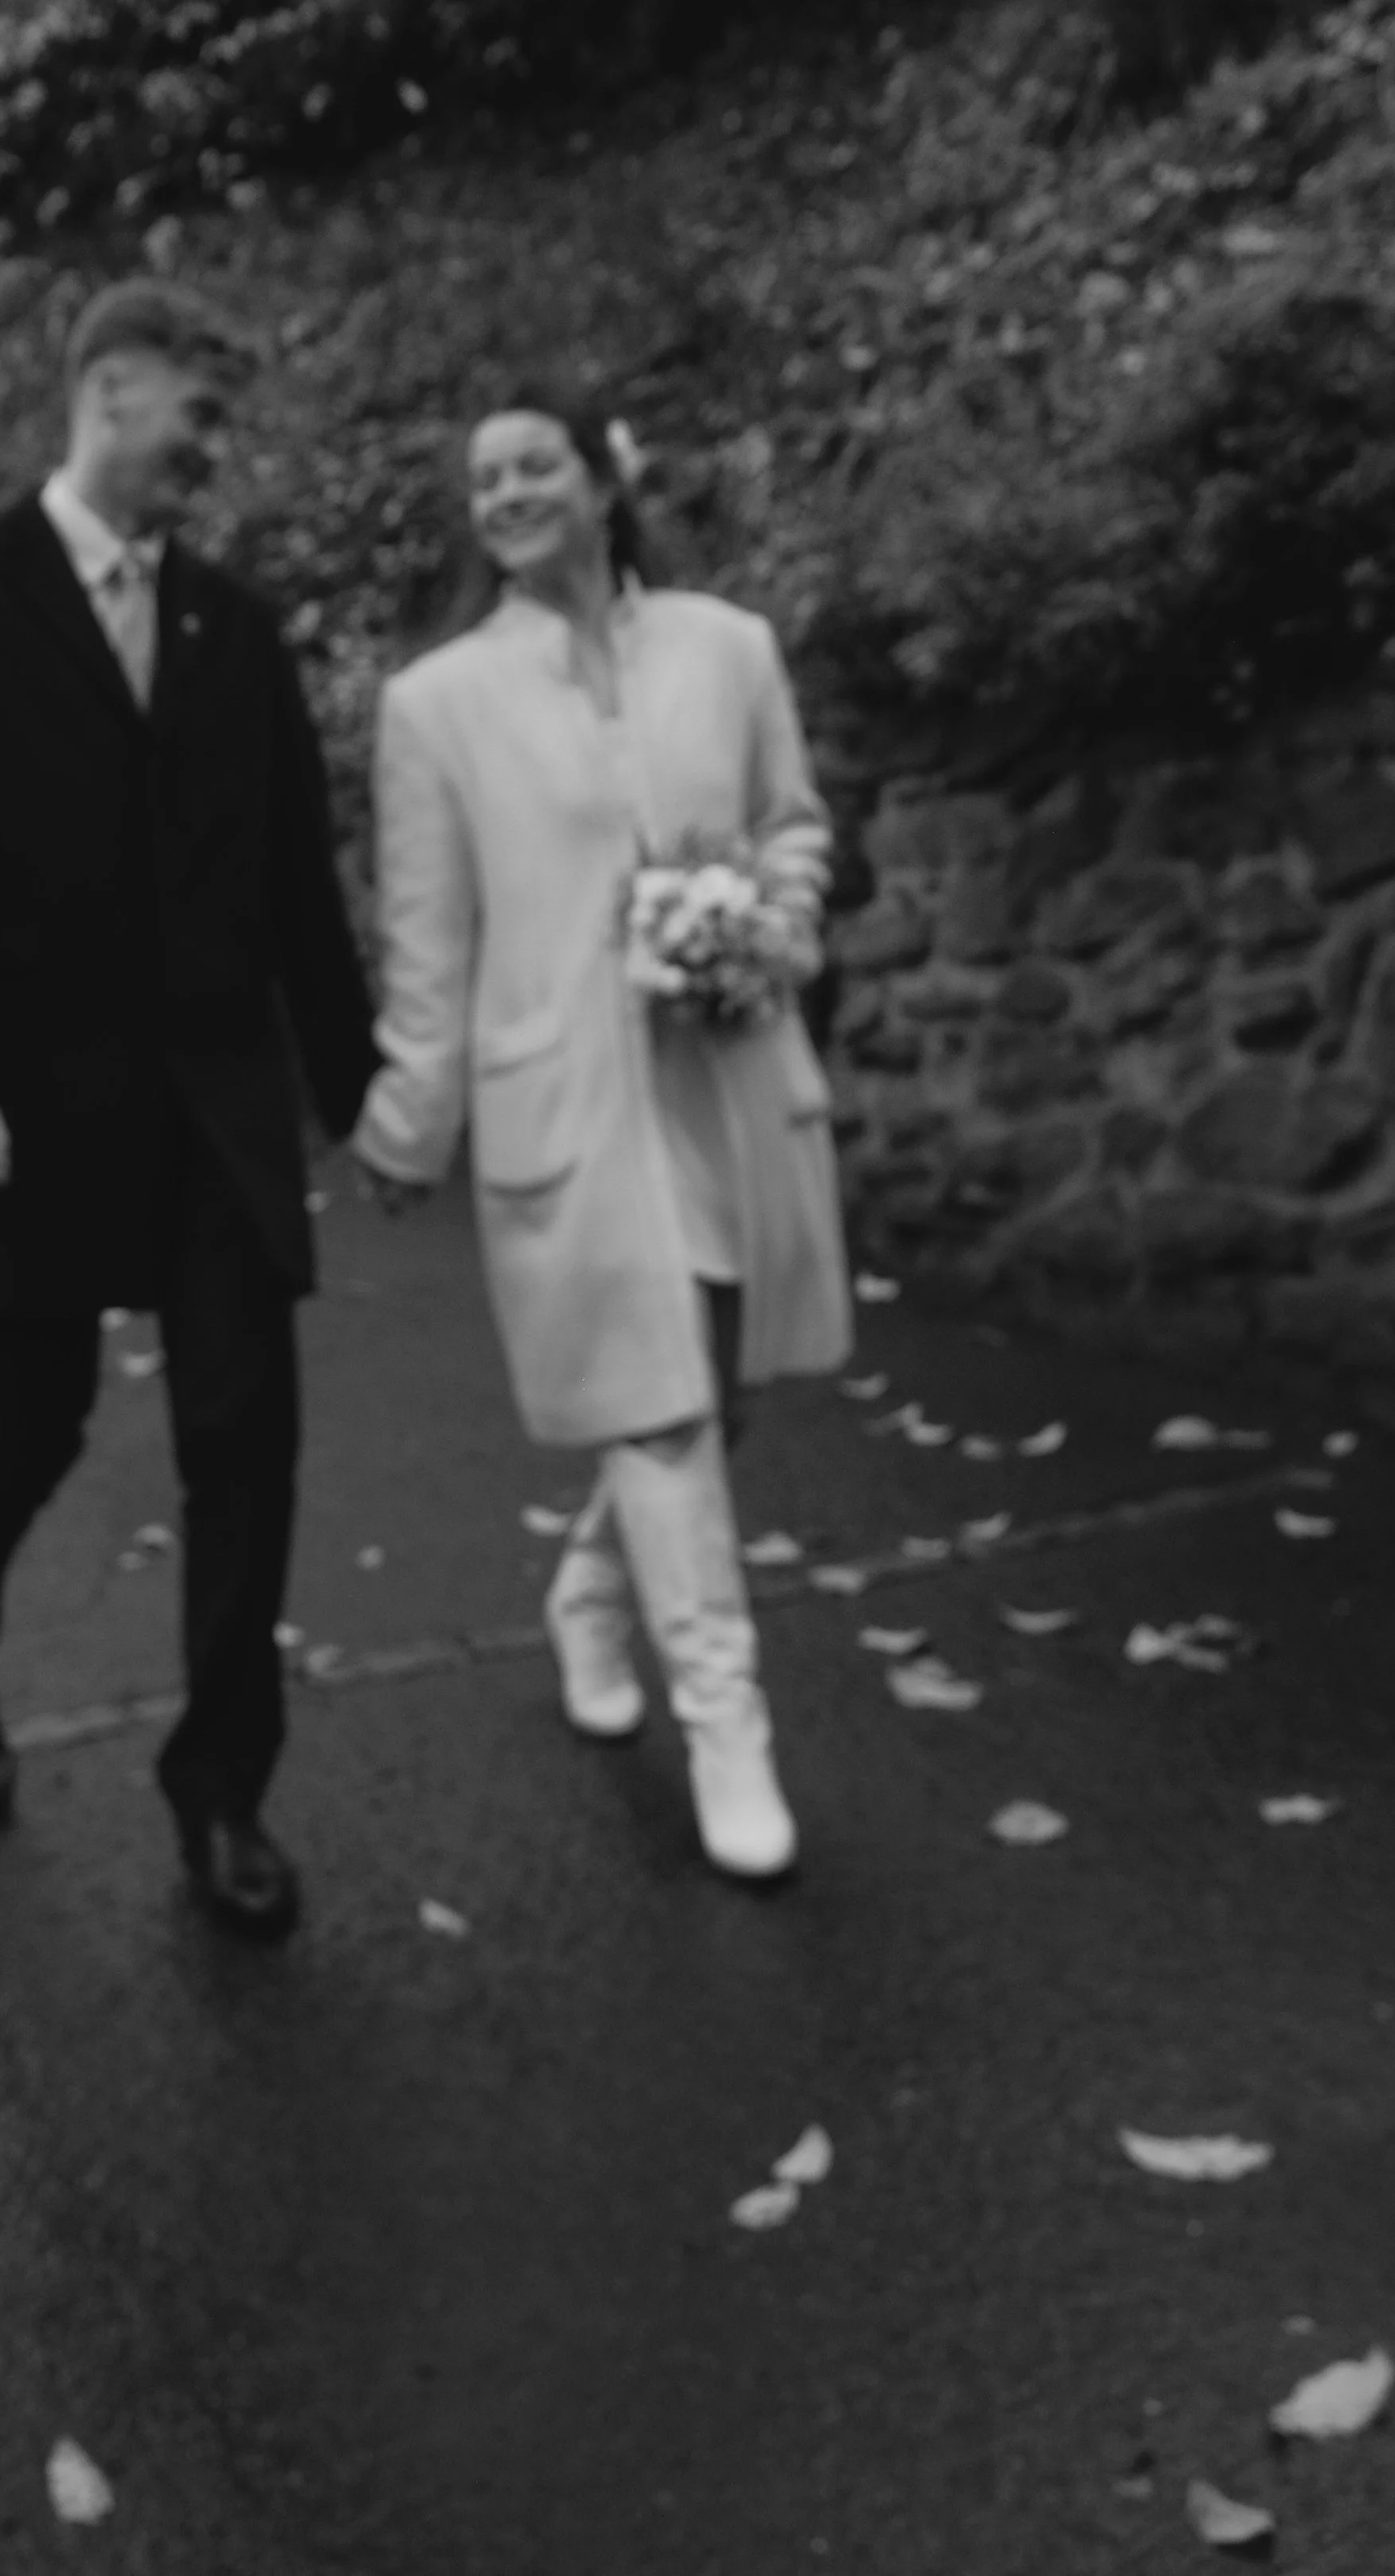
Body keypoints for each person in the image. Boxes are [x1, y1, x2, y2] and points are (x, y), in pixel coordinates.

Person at [0, 275, 378, 1939]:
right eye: (197, 419)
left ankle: (221, 1789)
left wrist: (364, 1095)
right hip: (17, 1110)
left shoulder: (236, 625)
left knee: (245, 1435)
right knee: (23, 1430)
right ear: (106, 391)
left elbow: (299, 880)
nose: (211, 457)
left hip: (213, 1113)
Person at [352, 391, 852, 1883]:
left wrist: (767, 925)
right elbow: (428, 940)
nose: (504, 493)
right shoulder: (436, 704)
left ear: (600, 478)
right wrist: (405, 1118)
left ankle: (587, 1591)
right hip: (568, 1096)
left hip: (726, 1076)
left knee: (718, 1390)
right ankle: (728, 1731)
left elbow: (793, 822)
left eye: (532, 465)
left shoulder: (729, 648)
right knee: (660, 1408)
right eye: (482, 478)